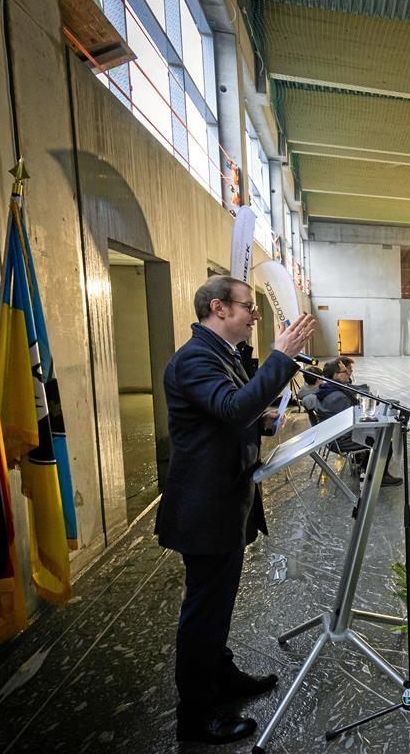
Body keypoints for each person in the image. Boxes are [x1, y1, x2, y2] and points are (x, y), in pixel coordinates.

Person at [158, 276, 315, 744]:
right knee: (203, 613)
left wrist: (263, 419)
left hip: (224, 503)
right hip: (204, 509)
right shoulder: (194, 359)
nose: (255, 316)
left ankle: (220, 677)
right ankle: (196, 715)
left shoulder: (220, 355)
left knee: (217, 607)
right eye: (249, 307)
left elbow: (230, 415)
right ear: (218, 308)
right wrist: (281, 358)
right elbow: (229, 409)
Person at [314, 357, 404, 487]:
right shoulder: (337, 397)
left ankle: (365, 467)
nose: (349, 374)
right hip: (341, 440)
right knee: (383, 441)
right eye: (345, 372)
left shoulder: (325, 390)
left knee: (376, 434)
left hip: (332, 435)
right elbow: (356, 420)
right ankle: (380, 478)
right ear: (336, 375)